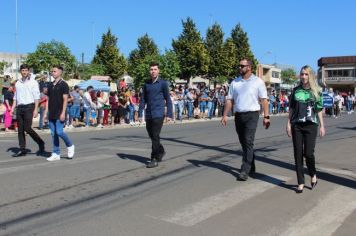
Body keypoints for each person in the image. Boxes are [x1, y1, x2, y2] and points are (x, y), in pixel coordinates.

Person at [221, 58, 270, 181]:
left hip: (252, 115)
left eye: (242, 66)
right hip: (239, 115)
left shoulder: (258, 82)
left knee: (248, 141)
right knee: (244, 143)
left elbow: (264, 100)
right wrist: (225, 115)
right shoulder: (235, 82)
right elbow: (229, 100)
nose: (240, 67)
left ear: (249, 67)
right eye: (239, 65)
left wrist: (266, 117)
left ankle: (244, 170)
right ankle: (251, 165)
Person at [286, 65, 325, 193]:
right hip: (297, 124)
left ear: (310, 76)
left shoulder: (317, 91)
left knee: (308, 154)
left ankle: (313, 174)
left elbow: (318, 109)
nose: (303, 76)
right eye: (302, 74)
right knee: (298, 154)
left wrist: (322, 126)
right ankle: (300, 182)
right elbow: (291, 108)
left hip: (311, 125)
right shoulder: (296, 90)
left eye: (306, 74)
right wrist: (288, 124)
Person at [139, 62, 173, 168]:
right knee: (152, 135)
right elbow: (143, 99)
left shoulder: (163, 83)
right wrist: (140, 113)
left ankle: (154, 158)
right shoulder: (146, 84)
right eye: (151, 69)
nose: (153, 71)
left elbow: (168, 99)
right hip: (149, 113)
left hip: (159, 113)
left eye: (155, 69)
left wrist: (169, 114)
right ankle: (161, 150)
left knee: (155, 135)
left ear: (158, 71)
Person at [10, 64, 45, 157]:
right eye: (23, 70)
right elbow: (15, 97)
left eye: (26, 70)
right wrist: (12, 108)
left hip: (29, 107)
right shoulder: (17, 83)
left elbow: (36, 96)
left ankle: (40, 142)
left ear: (28, 71)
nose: (24, 72)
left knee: (27, 128)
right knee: (20, 130)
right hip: (19, 107)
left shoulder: (33, 82)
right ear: (20, 71)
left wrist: (36, 110)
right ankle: (22, 149)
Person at [45, 65, 75, 161]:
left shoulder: (64, 85)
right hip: (51, 112)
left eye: (54, 71)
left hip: (60, 112)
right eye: (52, 71)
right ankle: (56, 153)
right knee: (54, 134)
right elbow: (48, 100)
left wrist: (63, 113)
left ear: (60, 72)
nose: (52, 73)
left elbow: (65, 100)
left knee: (59, 132)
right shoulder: (50, 85)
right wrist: (46, 113)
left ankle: (70, 145)